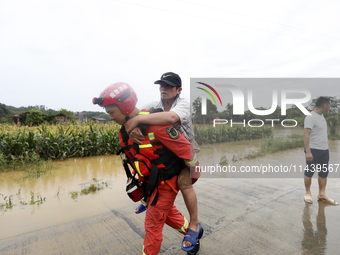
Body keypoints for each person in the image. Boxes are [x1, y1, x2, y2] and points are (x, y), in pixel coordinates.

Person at [93, 82, 203, 255]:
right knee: (165, 214)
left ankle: (193, 227)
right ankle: (189, 229)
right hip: (152, 184)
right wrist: (145, 191)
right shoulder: (124, 132)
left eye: (112, 112)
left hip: (168, 182)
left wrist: (191, 176)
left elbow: (186, 150)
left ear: (126, 106)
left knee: (152, 225)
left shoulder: (156, 125)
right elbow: (136, 160)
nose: (111, 118)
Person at [124, 72, 201, 248]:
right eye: (161, 85)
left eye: (168, 86)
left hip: (186, 148)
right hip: (168, 150)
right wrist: (133, 125)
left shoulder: (183, 104)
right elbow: (135, 114)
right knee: (152, 170)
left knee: (183, 183)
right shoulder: (154, 105)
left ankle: (195, 224)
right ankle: (147, 198)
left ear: (178, 90)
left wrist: (138, 120)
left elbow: (171, 118)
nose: (163, 89)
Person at [303, 96, 338, 205]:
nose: (330, 107)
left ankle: (322, 194)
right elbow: (306, 134)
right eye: (330, 105)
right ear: (325, 105)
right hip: (313, 150)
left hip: (324, 150)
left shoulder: (321, 116)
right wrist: (308, 152)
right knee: (310, 171)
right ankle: (308, 193)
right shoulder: (310, 117)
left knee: (324, 172)